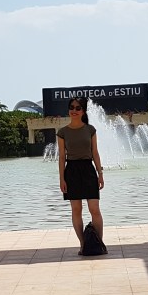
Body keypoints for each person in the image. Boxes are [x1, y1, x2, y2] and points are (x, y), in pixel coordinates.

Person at [56, 97, 105, 255]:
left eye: (78, 108)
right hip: (72, 171)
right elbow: (62, 157)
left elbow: (95, 153)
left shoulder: (90, 130)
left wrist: (100, 174)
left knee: (94, 209)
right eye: (72, 107)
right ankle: (84, 245)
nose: (74, 110)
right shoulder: (62, 132)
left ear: (83, 111)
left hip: (88, 169)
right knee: (76, 209)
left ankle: (98, 244)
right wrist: (62, 178)